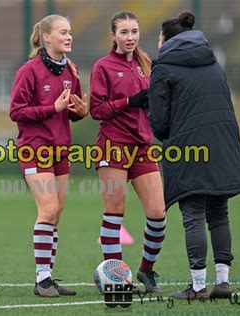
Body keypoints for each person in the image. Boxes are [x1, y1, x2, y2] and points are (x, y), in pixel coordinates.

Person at [149, 11, 240, 300]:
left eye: (159, 37)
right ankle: (223, 283)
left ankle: (197, 287)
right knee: (219, 212)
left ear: (168, 39)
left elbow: (158, 122)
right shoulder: (213, 62)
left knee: (193, 214)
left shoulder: (163, 68)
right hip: (225, 145)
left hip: (189, 148)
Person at [9, 14, 88, 297]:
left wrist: (81, 112)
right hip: (35, 148)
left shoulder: (72, 69)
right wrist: (51, 109)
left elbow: (73, 110)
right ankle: (42, 280)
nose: (68, 37)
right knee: (48, 210)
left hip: (60, 149)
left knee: (57, 214)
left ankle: (48, 277)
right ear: (46, 38)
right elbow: (16, 112)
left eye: (70, 32)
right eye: (63, 32)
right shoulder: (29, 71)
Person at [90, 11, 166, 293]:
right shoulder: (103, 66)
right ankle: (116, 278)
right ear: (113, 36)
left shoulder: (147, 63)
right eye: (124, 32)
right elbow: (96, 109)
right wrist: (128, 102)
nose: (130, 37)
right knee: (114, 211)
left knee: (158, 212)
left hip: (144, 146)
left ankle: (146, 271)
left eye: (134, 31)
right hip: (113, 145)